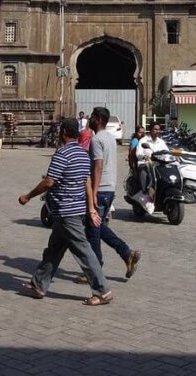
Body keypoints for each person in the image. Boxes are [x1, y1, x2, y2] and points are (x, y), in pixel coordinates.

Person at [18, 117, 112, 305]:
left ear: (62, 133)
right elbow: (86, 180)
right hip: (70, 211)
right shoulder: (83, 154)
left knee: (84, 251)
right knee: (53, 250)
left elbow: (49, 181)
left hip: (66, 211)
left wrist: (28, 196)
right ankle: (39, 285)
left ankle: (102, 290)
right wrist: (91, 207)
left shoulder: (62, 154)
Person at [85, 107, 140, 280]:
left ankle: (96, 269)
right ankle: (126, 254)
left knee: (93, 230)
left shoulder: (96, 140)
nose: (90, 119)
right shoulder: (109, 138)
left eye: (93, 116)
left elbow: (98, 166)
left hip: (100, 190)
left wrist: (92, 192)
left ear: (99, 119)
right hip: (109, 189)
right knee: (97, 227)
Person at [135, 123, 172, 193]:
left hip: (159, 165)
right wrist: (144, 156)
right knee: (143, 171)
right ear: (150, 130)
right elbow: (138, 154)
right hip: (146, 164)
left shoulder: (161, 142)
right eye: (155, 129)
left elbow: (167, 152)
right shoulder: (143, 141)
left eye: (158, 130)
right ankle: (144, 192)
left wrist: (173, 157)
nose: (157, 131)